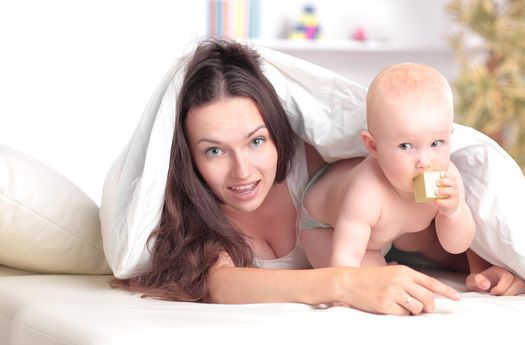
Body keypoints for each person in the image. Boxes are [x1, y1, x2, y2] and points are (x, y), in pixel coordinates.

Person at [113, 39, 524, 316]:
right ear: (190, 157)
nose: (242, 171)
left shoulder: (312, 162)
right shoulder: (197, 219)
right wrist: (343, 285)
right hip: (370, 251)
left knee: (406, 200)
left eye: (256, 141)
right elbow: (222, 284)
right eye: (215, 151)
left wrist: (486, 260)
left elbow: (430, 202)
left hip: (414, 235)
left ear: (277, 131)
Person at [299, 63, 475, 270]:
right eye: (406, 146)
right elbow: (344, 262)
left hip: (393, 230)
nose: (425, 162)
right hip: (326, 227)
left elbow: (456, 246)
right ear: (373, 147)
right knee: (372, 279)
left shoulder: (448, 177)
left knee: (424, 242)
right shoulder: (366, 193)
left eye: (436, 143)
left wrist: (454, 212)